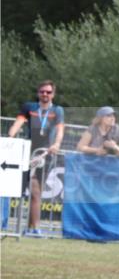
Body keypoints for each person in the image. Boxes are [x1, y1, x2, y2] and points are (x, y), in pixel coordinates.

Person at [6, 80, 64, 236]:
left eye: (48, 92)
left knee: (36, 191)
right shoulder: (29, 107)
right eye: (42, 91)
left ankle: (34, 228)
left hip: (45, 153)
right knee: (19, 189)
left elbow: (60, 130)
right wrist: (10, 138)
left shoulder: (57, 110)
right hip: (26, 152)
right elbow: (18, 123)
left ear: (53, 94)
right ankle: (29, 227)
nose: (45, 94)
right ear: (38, 93)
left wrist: (57, 144)